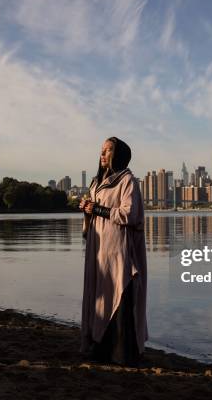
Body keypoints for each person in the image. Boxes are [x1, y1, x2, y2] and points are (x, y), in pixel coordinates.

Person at [79, 137, 148, 366]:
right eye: (102, 150)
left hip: (118, 252)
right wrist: (87, 210)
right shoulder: (96, 182)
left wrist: (97, 208)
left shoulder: (127, 180)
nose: (103, 154)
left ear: (118, 154)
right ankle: (99, 349)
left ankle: (122, 354)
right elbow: (93, 220)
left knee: (118, 296)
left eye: (108, 150)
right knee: (100, 298)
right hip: (99, 252)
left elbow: (130, 214)